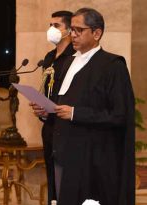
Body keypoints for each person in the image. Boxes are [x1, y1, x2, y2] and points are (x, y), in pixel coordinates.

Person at [31, 8, 135, 204]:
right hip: (62, 153)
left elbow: (119, 115)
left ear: (97, 33)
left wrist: (76, 113)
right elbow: (62, 106)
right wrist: (47, 112)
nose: (73, 35)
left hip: (92, 159)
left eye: (79, 30)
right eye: (72, 30)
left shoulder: (112, 65)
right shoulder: (67, 63)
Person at [34, 10, 75, 204]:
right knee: (51, 175)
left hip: (68, 128)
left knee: (67, 177)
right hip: (49, 126)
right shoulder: (49, 56)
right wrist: (41, 109)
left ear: (69, 30)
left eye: (56, 26)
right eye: (50, 25)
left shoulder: (75, 56)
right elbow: (47, 90)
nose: (51, 30)